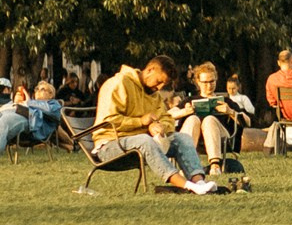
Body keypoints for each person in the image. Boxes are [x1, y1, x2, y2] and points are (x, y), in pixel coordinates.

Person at [91, 56, 221, 193]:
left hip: (141, 143)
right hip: (109, 146)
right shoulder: (117, 84)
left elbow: (168, 118)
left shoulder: (153, 93)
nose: (158, 87)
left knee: (183, 138)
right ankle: (187, 186)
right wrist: (141, 122)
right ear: (150, 70)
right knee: (145, 140)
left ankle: (199, 182)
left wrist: (159, 127)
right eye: (159, 81)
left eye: (163, 85)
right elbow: (108, 122)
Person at [180, 62, 244, 170]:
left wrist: (230, 111)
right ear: (198, 82)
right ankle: (187, 166)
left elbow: (247, 121)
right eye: (205, 82)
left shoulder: (226, 101)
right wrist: (184, 112)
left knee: (209, 120)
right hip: (194, 133)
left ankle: (215, 165)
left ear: (216, 80)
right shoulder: (189, 100)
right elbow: (168, 115)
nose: (209, 86)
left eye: (212, 82)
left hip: (221, 137)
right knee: (192, 119)